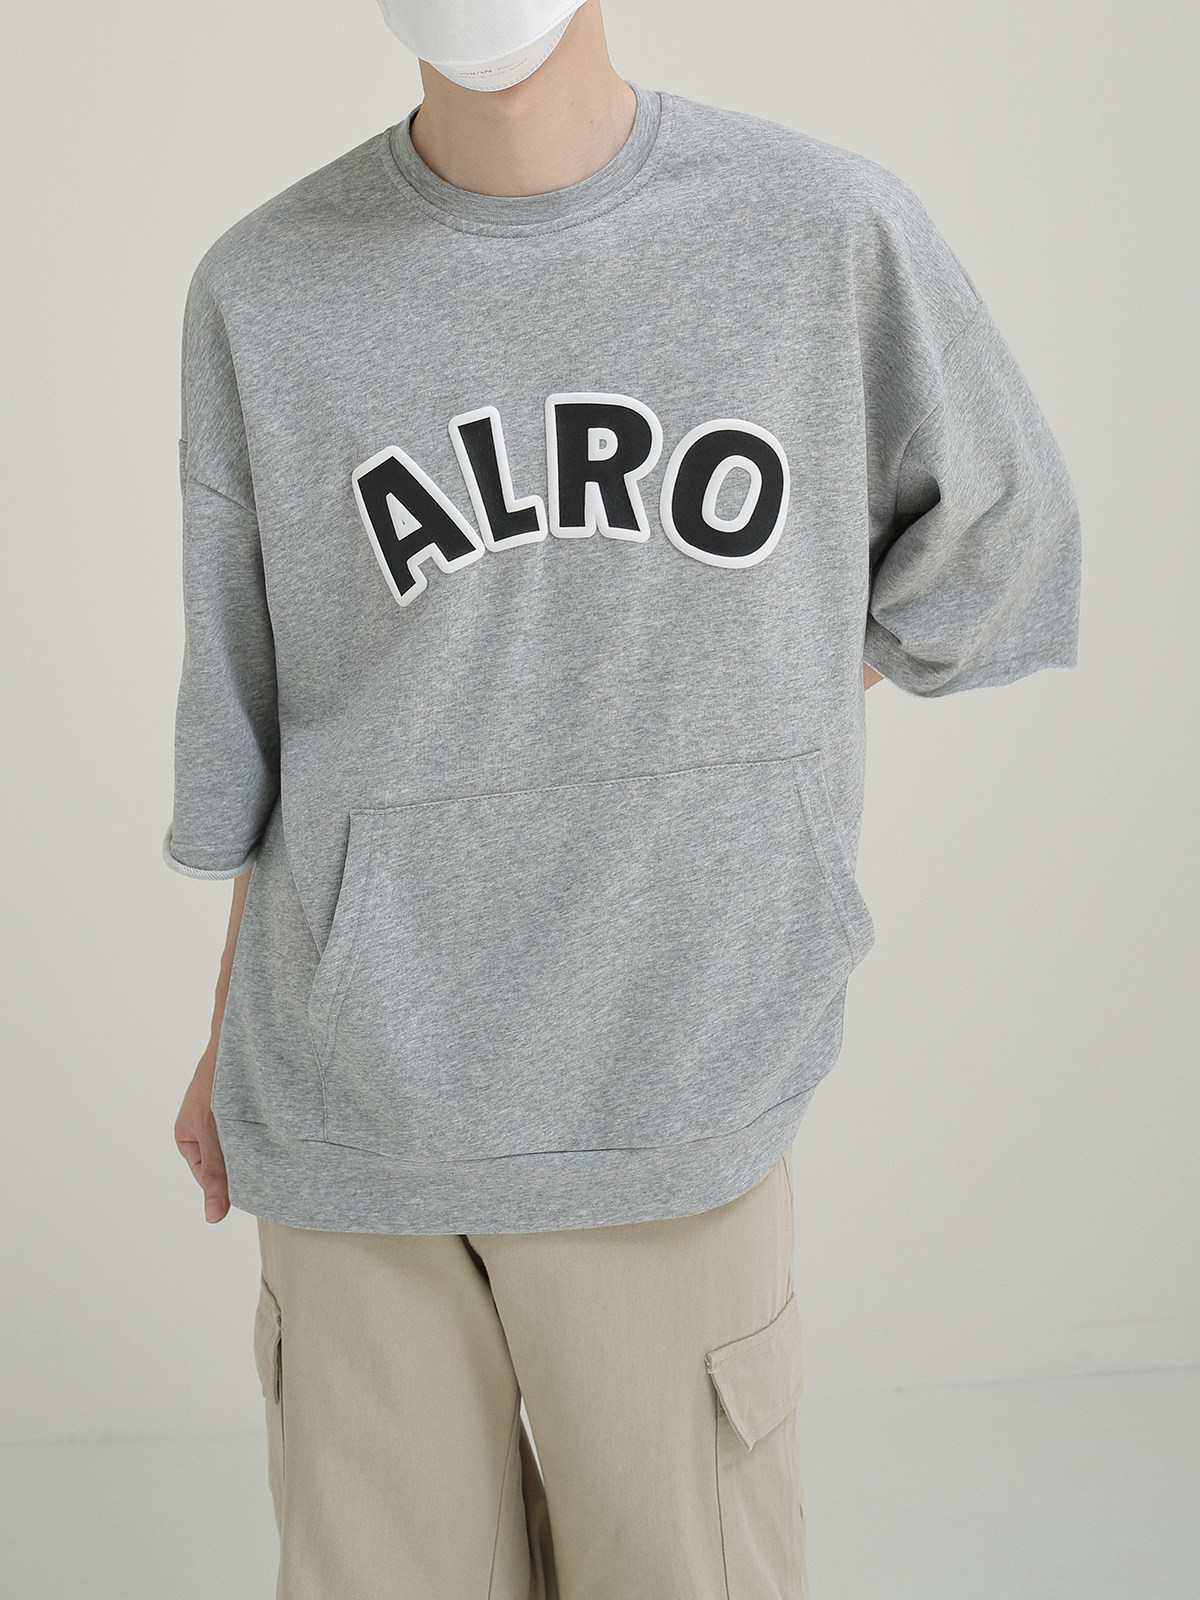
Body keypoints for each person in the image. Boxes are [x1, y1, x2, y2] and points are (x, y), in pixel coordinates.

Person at [168, 2, 1082, 1594]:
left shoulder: (821, 231)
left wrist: (761, 705)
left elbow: (998, 539)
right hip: (349, 1114)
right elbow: (265, 714)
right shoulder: (267, 286)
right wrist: (228, 1037)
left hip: (674, 1091)